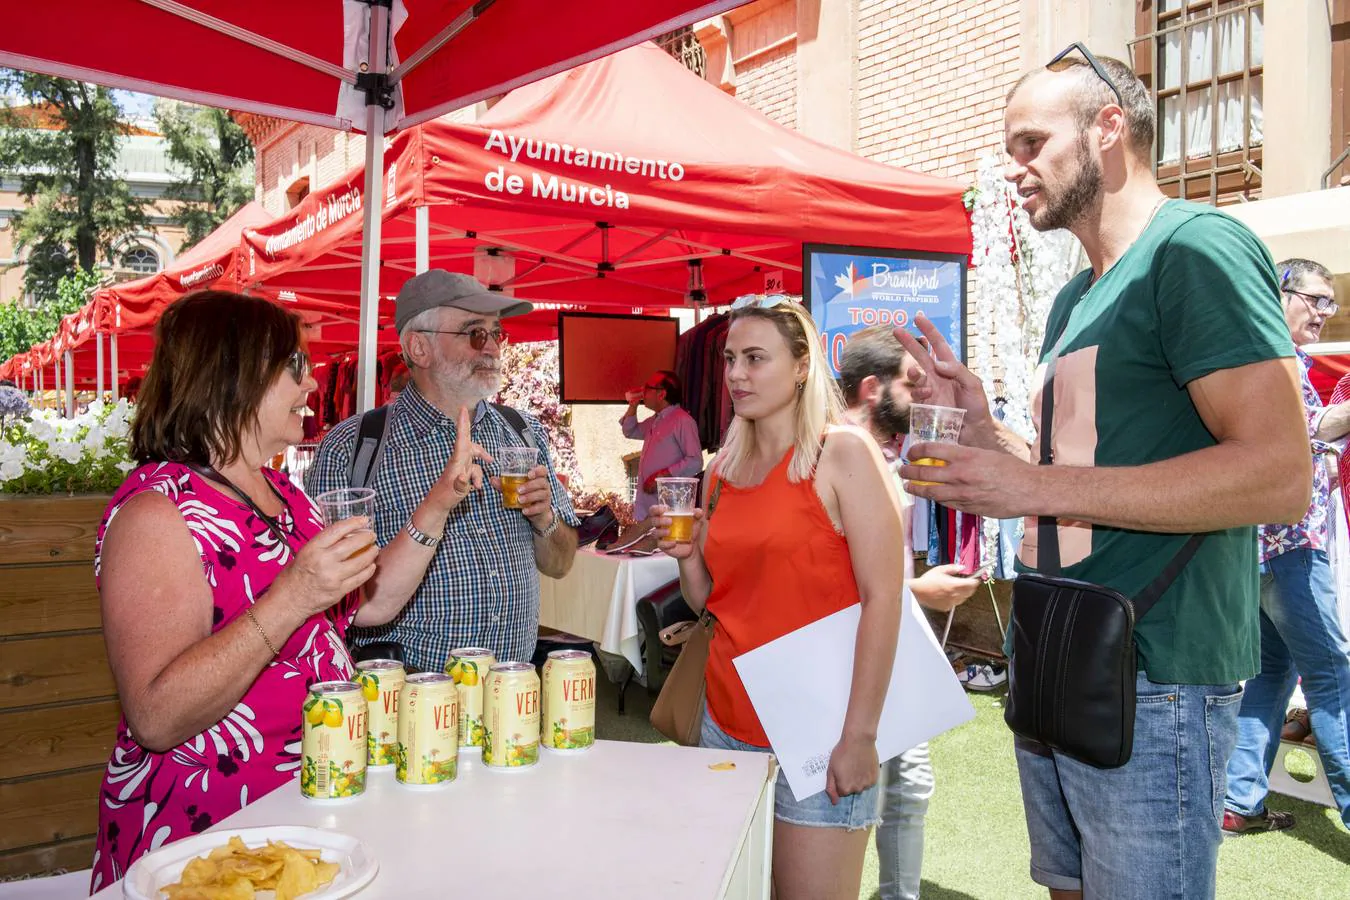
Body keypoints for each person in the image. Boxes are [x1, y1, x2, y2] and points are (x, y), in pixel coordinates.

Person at [893, 48, 1310, 900]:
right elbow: (1076, 471)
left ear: (1108, 128)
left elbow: (1278, 475)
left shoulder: (1196, 249)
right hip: (1057, 646)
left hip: (1155, 668)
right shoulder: (1073, 296)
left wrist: (1032, 486)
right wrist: (988, 433)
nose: (1014, 170)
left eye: (1031, 143)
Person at [91, 291, 481, 890]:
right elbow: (156, 716)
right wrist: (294, 594)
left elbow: (368, 604)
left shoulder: (283, 493)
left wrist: (443, 499)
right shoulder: (155, 514)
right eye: (294, 367)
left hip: (305, 813)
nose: (311, 383)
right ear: (235, 374)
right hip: (211, 838)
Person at [653, 295, 903, 900]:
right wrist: (688, 558)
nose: (737, 374)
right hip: (724, 718)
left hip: (821, 728)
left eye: (756, 358)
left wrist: (862, 735)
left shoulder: (840, 454)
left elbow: (884, 597)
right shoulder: (719, 473)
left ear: (800, 367)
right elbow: (712, 599)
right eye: (731, 359)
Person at [307, 270, 580, 671]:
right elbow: (332, 593)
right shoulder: (354, 447)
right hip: (408, 698)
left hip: (512, 689)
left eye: (496, 333)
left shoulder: (523, 432)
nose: (491, 348)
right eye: (474, 333)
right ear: (419, 348)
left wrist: (545, 520)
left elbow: (560, 564)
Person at [838, 325, 980, 900]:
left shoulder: (884, 452)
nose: (923, 396)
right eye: (911, 382)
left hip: (897, 637)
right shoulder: (837, 453)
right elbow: (831, 576)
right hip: (855, 647)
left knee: (910, 786)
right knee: (862, 790)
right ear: (873, 388)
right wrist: (919, 589)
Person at [1223, 257, 1350, 833]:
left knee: (1274, 674)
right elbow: (1307, 437)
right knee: (1332, 677)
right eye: (1316, 300)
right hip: (1292, 543)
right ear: (1282, 293)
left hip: (1258, 548)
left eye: (1331, 304)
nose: (1325, 313)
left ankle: (1238, 801)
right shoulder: (1278, 362)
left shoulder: (1258, 355)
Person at [620, 369, 702, 522]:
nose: (643, 391)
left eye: (648, 387)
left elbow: (695, 461)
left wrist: (662, 476)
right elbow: (630, 431)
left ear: (662, 394)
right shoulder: (656, 420)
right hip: (647, 506)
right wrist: (633, 405)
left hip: (667, 509)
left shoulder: (682, 420)